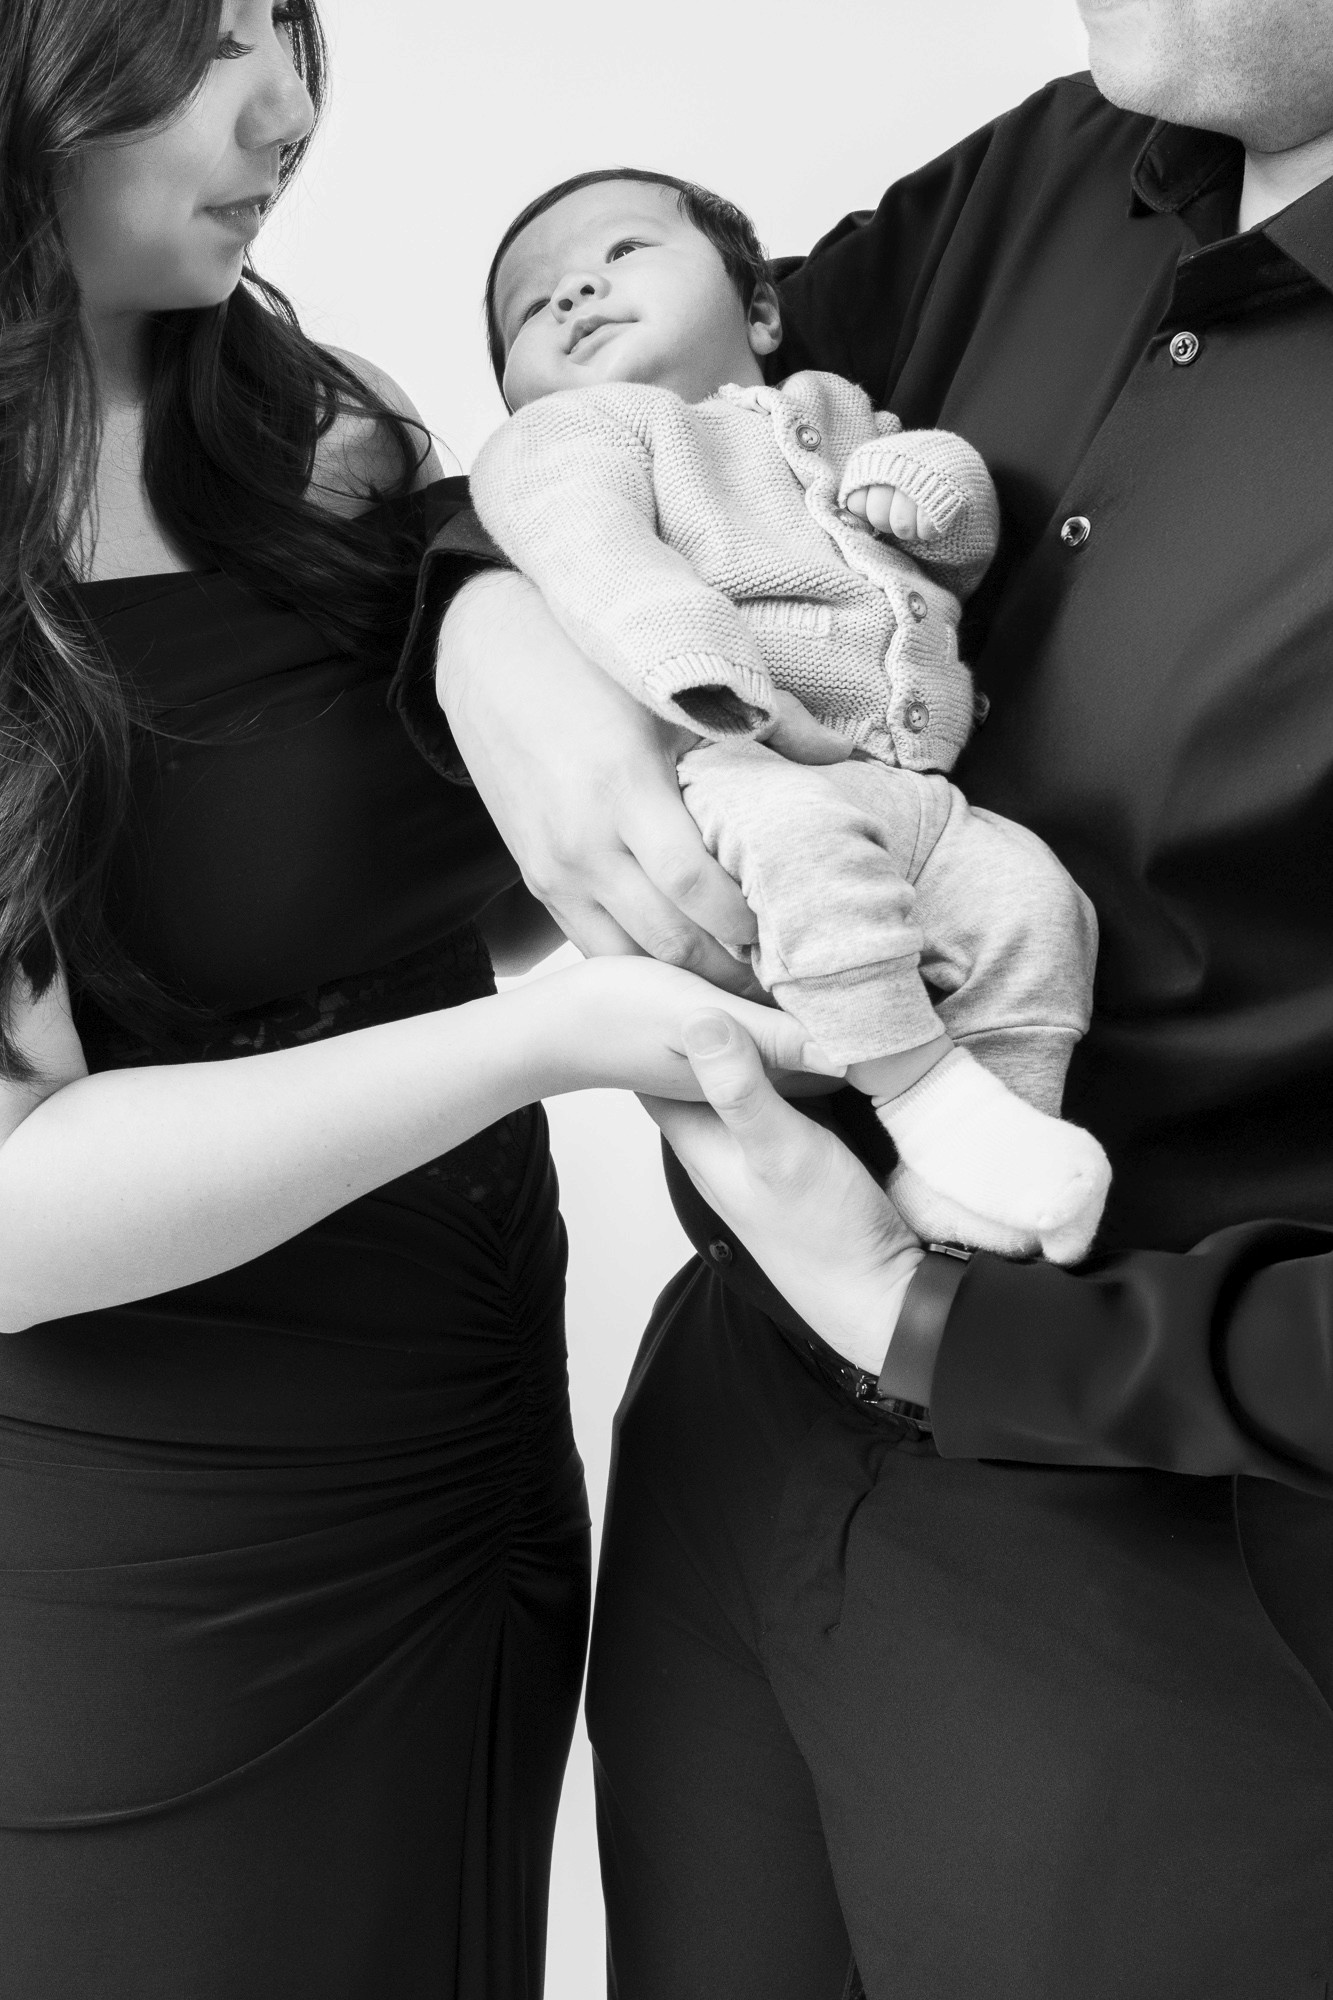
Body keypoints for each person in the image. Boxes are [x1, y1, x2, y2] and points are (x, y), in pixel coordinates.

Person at [432, 0, 1333, 1993]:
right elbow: (650, 405)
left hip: (1169, 1569)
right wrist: (487, 628)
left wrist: (931, 1322)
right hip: (728, 1461)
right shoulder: (1071, 155)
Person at [0, 4, 835, 1995]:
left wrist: (615, 801)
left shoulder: (313, 423)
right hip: (163, 1554)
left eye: (284, 28)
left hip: (471, 1447)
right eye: (198, 43)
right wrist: (540, 1042)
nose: (282, 108)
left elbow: (398, 903)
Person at [471, 168, 1109, 1264]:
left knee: (1035, 903)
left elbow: (948, 541)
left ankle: (983, 1162)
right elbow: (595, 558)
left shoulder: (831, 412)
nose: (573, 293)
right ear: (524, 394)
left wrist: (929, 486)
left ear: (761, 308)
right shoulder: (576, 438)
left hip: (904, 784)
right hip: (721, 755)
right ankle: (921, 1094)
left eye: (620, 254)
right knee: (808, 858)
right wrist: (707, 677)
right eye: (533, 308)